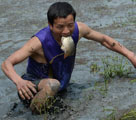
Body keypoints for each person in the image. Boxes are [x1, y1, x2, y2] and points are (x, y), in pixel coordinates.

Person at [1, 2, 136, 113]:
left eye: (70, 25)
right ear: (50, 25)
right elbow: (7, 63)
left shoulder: (79, 29)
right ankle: (33, 113)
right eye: (60, 27)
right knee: (53, 85)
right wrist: (19, 82)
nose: (66, 31)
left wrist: (131, 55)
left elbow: (104, 40)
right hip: (33, 90)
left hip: (60, 88)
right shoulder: (38, 42)